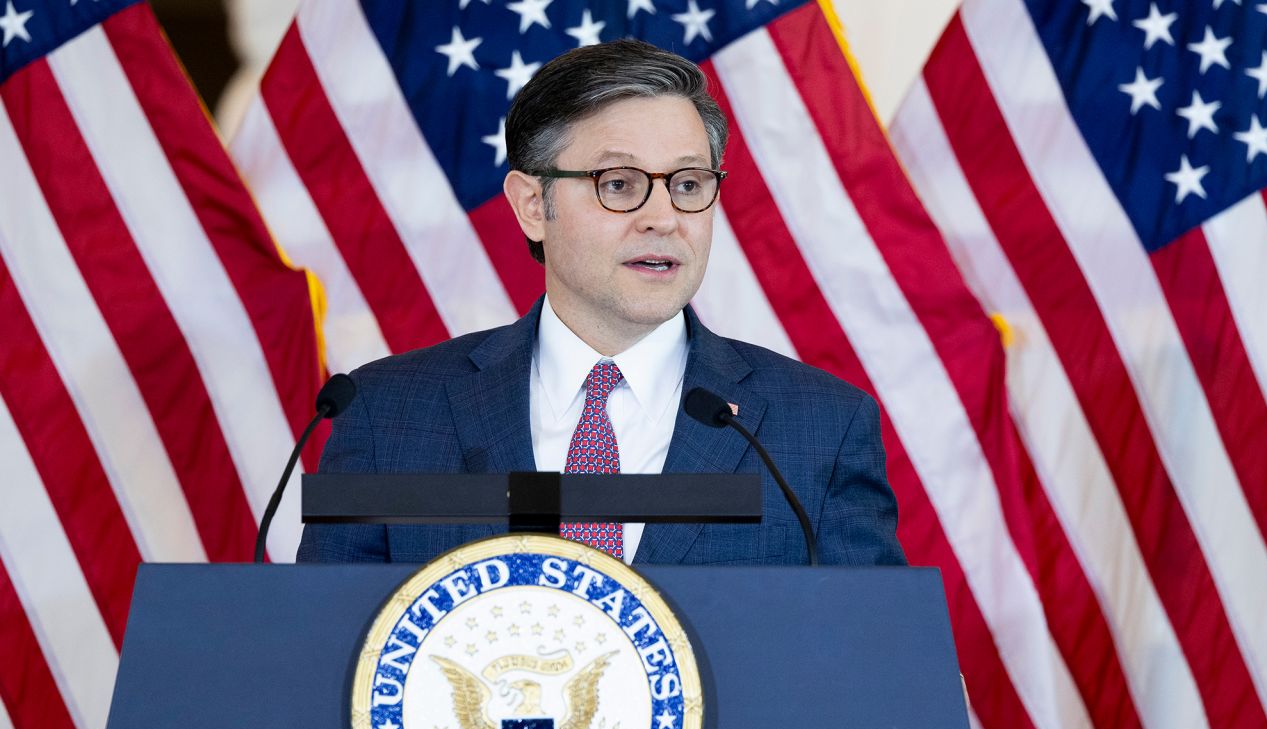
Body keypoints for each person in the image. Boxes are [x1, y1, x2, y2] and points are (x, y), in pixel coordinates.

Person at [297, 39, 905, 568]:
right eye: (619, 185)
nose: (664, 218)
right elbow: (325, 656)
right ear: (533, 205)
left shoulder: (822, 427)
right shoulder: (386, 416)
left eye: (689, 184)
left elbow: (872, 663)